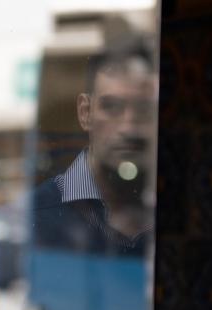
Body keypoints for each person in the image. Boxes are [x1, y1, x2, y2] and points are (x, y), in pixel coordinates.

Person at [32, 39, 157, 254]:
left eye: (143, 109)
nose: (128, 128)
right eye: (112, 107)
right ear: (85, 112)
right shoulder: (39, 211)